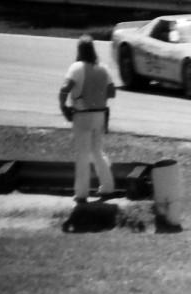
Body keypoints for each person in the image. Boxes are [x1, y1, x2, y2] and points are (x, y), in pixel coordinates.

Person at [58, 34, 116, 203]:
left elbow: (64, 90)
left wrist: (64, 107)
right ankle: (107, 186)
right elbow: (112, 92)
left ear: (79, 51)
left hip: (82, 115)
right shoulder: (103, 68)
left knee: (82, 154)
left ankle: (81, 193)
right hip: (100, 114)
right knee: (97, 151)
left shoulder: (76, 68)